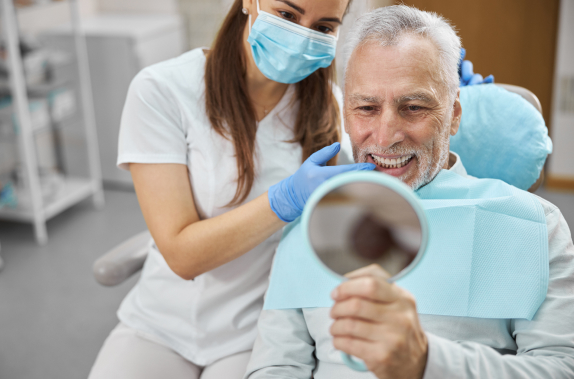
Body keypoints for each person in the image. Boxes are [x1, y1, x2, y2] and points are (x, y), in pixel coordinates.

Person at [88, 1, 490, 377]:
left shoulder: (336, 111)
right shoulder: (163, 90)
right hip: (160, 322)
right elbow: (181, 255)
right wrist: (285, 200)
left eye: (324, 26)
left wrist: (444, 97)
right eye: (287, 13)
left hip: (257, 331)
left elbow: (397, 168)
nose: (302, 35)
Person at [244, 5, 574, 379]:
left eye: (413, 107)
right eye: (366, 108)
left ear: (454, 115)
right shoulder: (309, 225)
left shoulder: (534, 227)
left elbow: (560, 368)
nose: (385, 138)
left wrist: (426, 361)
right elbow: (274, 367)